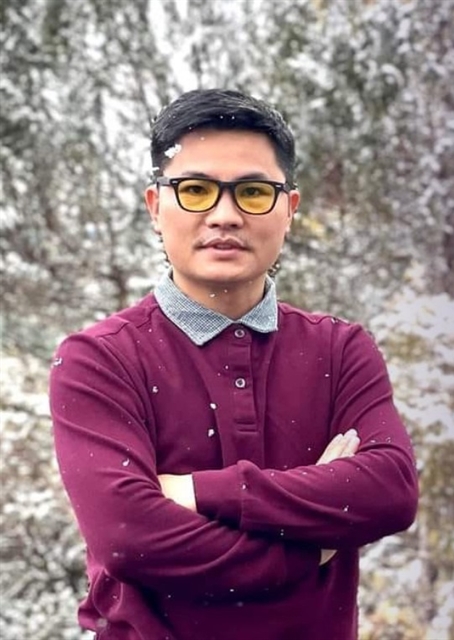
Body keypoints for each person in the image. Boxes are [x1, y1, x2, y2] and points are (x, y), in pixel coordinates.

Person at [49, 88, 418, 640]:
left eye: (254, 192)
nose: (225, 216)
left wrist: (201, 493)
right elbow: (129, 536)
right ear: (155, 206)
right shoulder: (100, 359)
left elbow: (390, 491)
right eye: (195, 190)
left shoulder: (340, 350)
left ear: (290, 210)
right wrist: (309, 548)